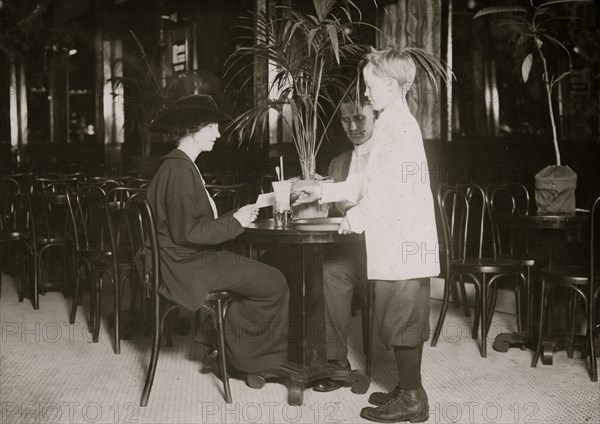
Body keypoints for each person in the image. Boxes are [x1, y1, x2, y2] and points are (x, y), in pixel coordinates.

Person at [293, 47, 440, 423]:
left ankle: (412, 399)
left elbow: (391, 191)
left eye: (371, 84)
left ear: (391, 85)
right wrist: (323, 191)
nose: (366, 91)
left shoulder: (398, 127)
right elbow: (365, 182)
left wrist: (356, 219)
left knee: (403, 320)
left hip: (404, 241)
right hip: (399, 240)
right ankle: (409, 389)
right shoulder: (393, 122)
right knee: (399, 317)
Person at [146, 94, 289, 375]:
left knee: (259, 276)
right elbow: (188, 231)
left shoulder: (179, 165)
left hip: (182, 260)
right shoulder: (179, 170)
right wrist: (234, 222)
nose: (218, 133)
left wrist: (235, 217)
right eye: (212, 126)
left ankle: (222, 345)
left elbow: (190, 224)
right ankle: (248, 361)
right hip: (186, 266)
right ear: (192, 129)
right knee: (274, 282)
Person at [313, 89, 376, 392]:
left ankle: (381, 361)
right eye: (345, 120)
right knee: (329, 272)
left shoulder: (388, 158)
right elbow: (328, 209)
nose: (353, 126)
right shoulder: (338, 163)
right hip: (353, 252)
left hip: (385, 254)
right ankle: (336, 361)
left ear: (375, 115)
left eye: (360, 118)